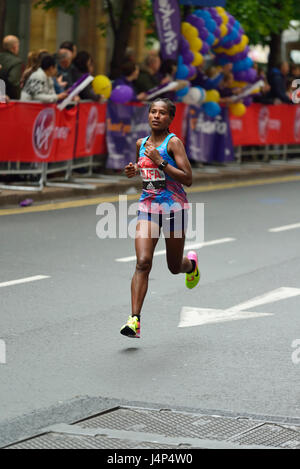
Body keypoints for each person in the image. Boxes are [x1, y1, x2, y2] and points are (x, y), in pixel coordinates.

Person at [120, 98, 200, 338]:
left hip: (175, 209)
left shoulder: (173, 143)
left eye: (162, 113)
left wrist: (161, 161)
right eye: (153, 111)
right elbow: (144, 171)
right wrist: (133, 170)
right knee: (143, 262)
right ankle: (134, 321)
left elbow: (187, 178)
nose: (156, 116)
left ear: (170, 118)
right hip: (148, 207)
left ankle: (191, 265)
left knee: (174, 267)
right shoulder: (141, 143)